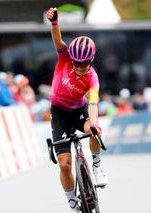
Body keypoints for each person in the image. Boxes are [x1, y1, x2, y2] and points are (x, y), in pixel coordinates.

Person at [46, 8, 108, 212]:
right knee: (64, 164)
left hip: (79, 110)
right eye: (78, 63)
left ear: (91, 60)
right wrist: (55, 24)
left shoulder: (92, 78)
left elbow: (92, 103)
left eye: (85, 63)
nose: (81, 67)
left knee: (93, 128)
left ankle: (97, 167)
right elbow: (58, 41)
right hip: (60, 113)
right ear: (71, 59)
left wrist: (94, 124)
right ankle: (73, 204)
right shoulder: (64, 57)